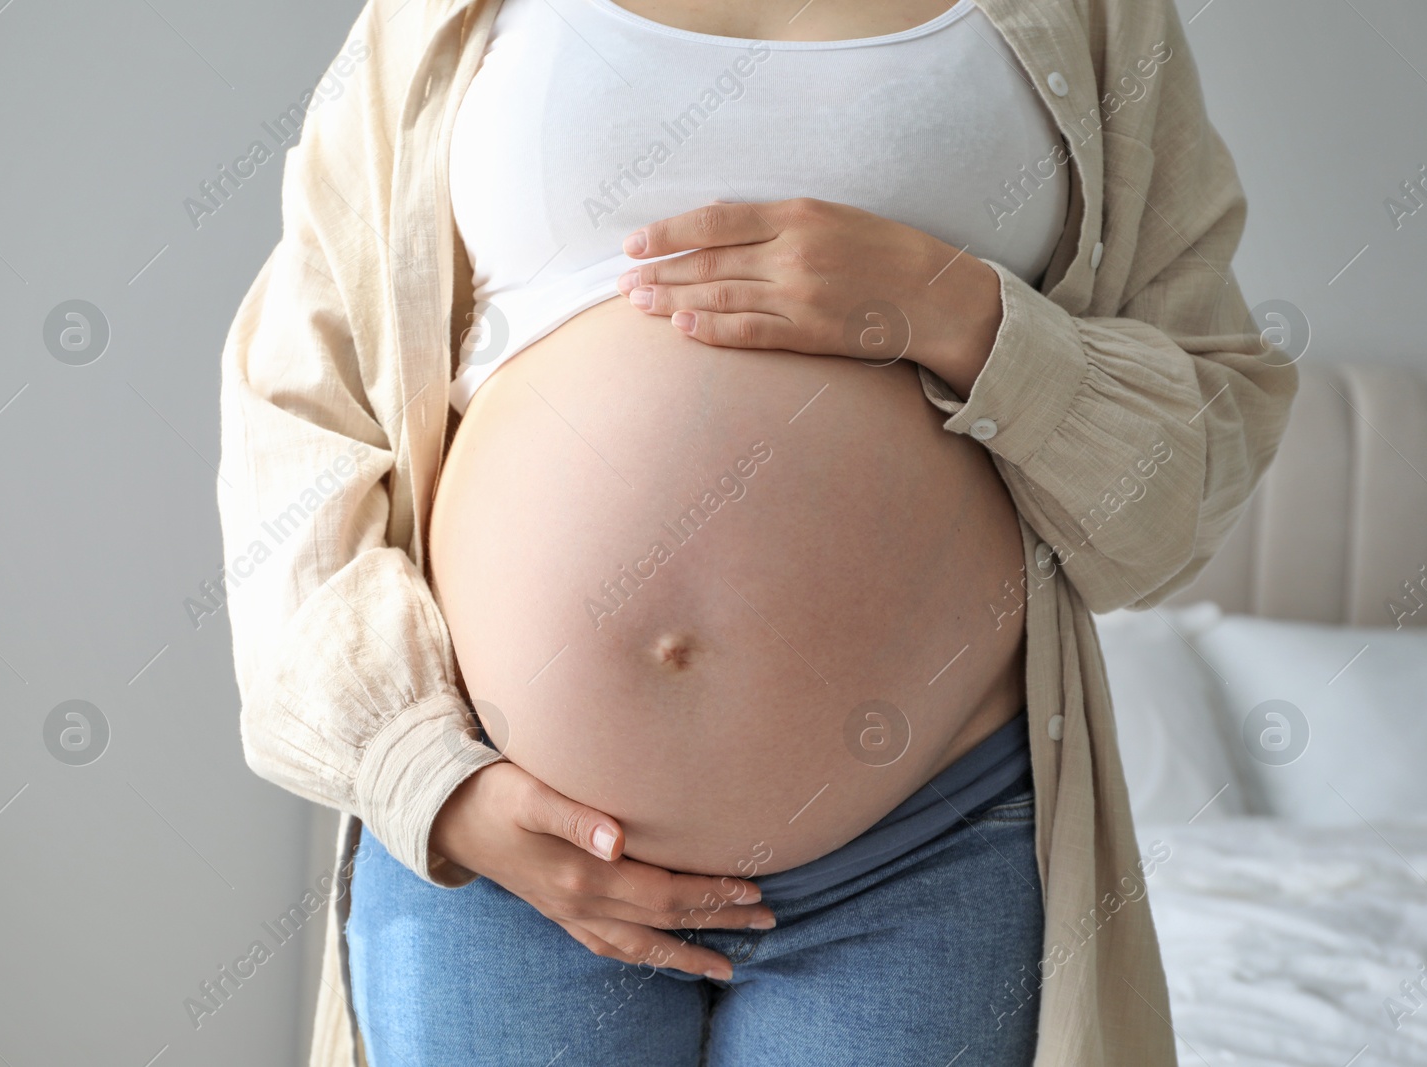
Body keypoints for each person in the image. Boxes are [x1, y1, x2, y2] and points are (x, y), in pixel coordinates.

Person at [215, 0, 1297, 1063]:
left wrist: (955, 309)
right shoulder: (437, 19)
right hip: (503, 855)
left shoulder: (1096, 18)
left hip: (923, 850)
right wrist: (428, 778)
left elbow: (1197, 450)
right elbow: (300, 411)